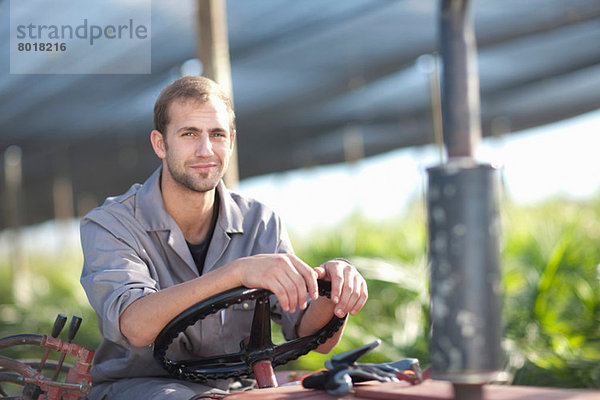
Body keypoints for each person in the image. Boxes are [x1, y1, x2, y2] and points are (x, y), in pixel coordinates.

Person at [80, 76, 368, 400]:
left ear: (231, 141)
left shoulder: (260, 222)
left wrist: (334, 290)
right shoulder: (110, 225)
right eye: (189, 134)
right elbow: (135, 324)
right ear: (160, 144)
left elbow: (309, 333)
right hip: (140, 388)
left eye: (216, 134)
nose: (206, 149)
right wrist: (237, 273)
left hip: (239, 389)